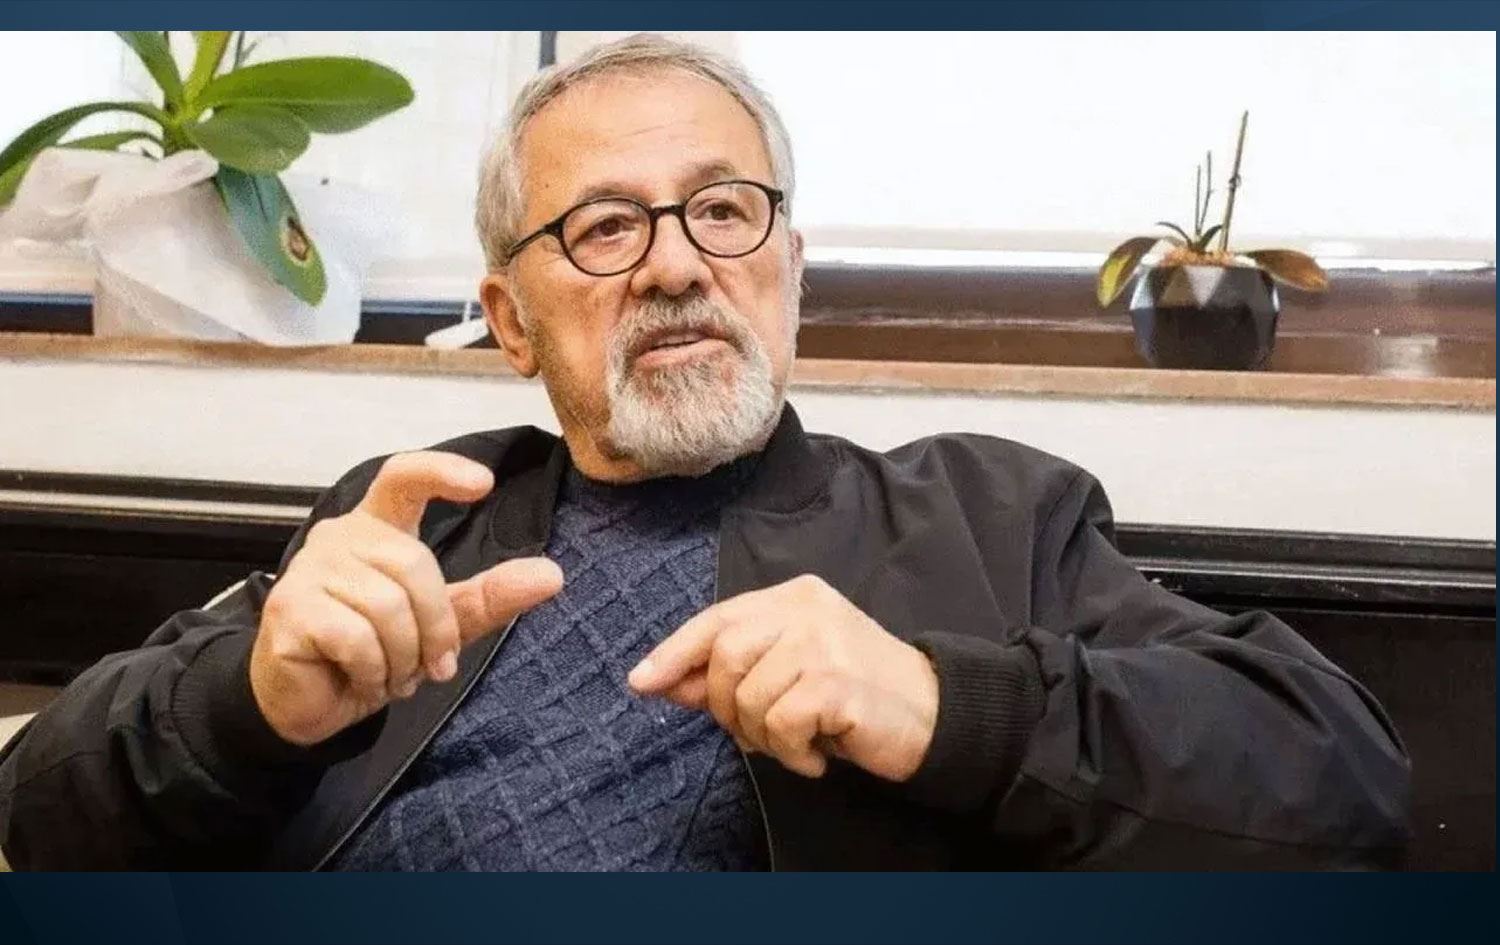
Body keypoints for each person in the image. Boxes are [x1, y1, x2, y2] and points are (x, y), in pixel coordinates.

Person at [0, 34, 1410, 871]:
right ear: (510, 320)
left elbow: (1343, 783)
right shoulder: (418, 516)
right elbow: (42, 811)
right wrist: (240, 707)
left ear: (790, 271)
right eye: (605, 226)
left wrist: (943, 706)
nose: (675, 265)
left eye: (723, 211)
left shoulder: (984, 515)